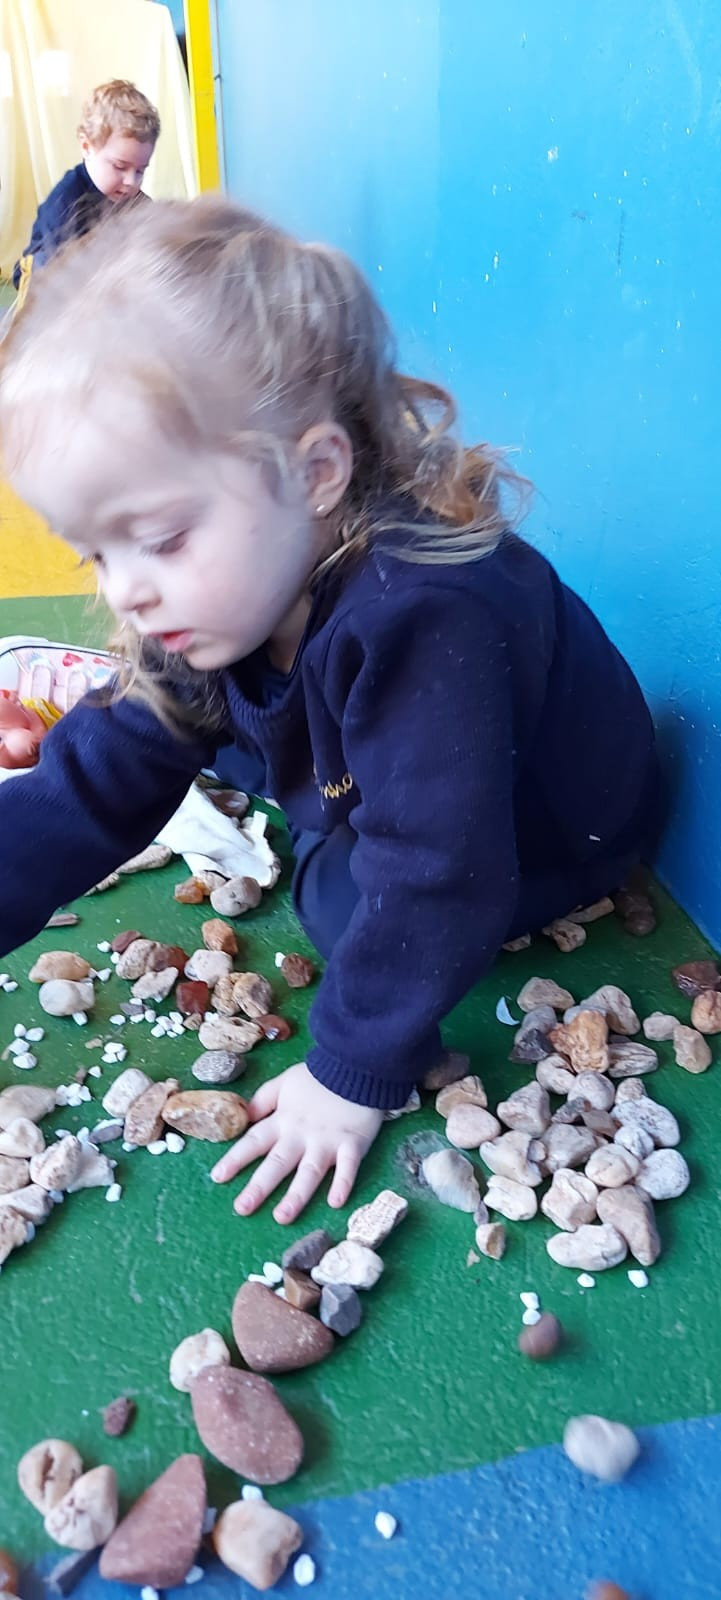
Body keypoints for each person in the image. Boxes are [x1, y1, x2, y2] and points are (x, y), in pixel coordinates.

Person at [0, 197, 660, 1224]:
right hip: (417, 765)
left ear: (314, 474)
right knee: (189, 735)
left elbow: (439, 867)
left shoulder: (422, 613)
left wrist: (353, 1070)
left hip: (548, 824)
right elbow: (95, 779)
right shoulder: (215, 599)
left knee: (344, 904)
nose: (126, 590)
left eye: (160, 538)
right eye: (97, 553)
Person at [12, 80, 160, 305]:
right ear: (87, 147)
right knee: (43, 268)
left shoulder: (130, 196)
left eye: (140, 171)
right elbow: (60, 269)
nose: (131, 182)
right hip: (48, 271)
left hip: (97, 267)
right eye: (120, 167)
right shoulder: (65, 201)